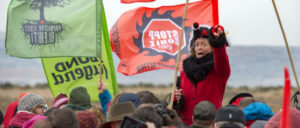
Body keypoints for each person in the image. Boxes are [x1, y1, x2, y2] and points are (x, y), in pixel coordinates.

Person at [174, 23, 230, 125]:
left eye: (204, 44)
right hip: (187, 124)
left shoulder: (218, 71)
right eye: (197, 44)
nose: (200, 47)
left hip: (210, 124)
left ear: (212, 47)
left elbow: (221, 60)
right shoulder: (184, 73)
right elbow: (180, 100)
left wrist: (218, 43)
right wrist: (177, 98)